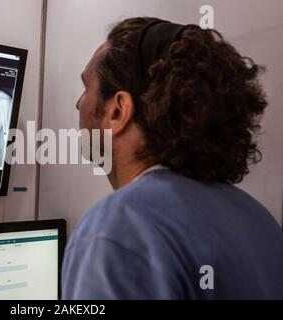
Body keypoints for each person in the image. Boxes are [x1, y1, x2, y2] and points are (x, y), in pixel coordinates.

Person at [62, 17, 283, 299]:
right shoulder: (258, 220)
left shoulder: (116, 230)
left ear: (118, 111)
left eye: (86, 88)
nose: (78, 103)